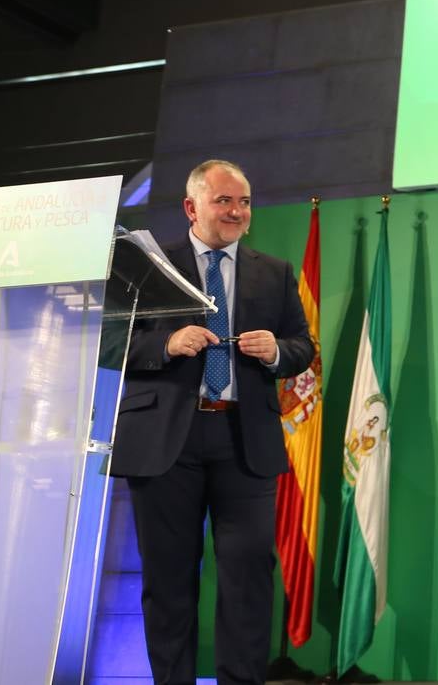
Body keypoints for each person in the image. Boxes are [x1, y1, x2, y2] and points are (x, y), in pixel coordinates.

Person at [113, 159, 314, 685]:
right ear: (191, 206)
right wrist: (165, 343)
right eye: (223, 200)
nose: (236, 211)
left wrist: (276, 351)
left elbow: (302, 347)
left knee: (248, 576)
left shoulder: (273, 271)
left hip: (243, 442)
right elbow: (108, 342)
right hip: (165, 445)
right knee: (169, 580)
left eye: (243, 201)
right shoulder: (148, 264)